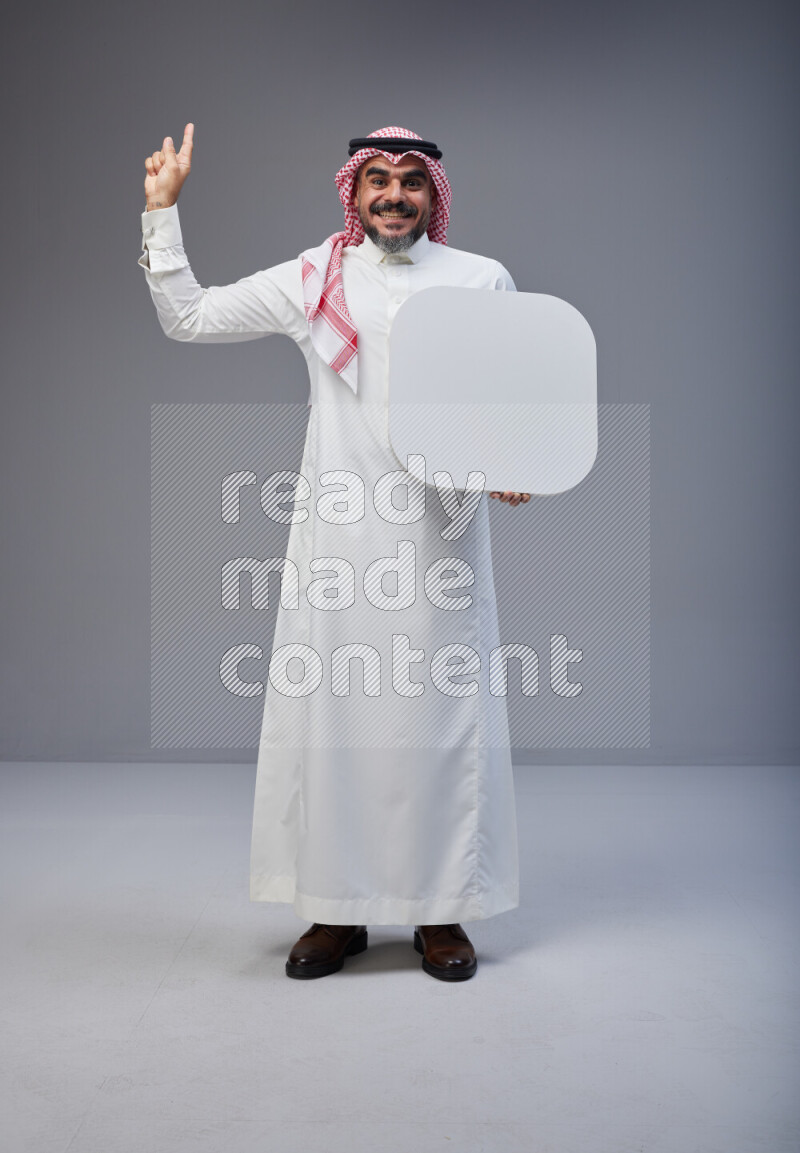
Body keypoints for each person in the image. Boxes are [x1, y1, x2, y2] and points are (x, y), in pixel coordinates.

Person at [140, 123, 530, 982]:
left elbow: (508, 394)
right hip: (339, 539)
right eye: (377, 179)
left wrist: (511, 458)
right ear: (353, 192)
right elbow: (189, 316)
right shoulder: (314, 277)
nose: (395, 194)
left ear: (433, 195)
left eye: (411, 180)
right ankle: (335, 909)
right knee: (335, 719)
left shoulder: (481, 279)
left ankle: (440, 911)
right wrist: (162, 213)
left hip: (442, 538)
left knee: (439, 721)